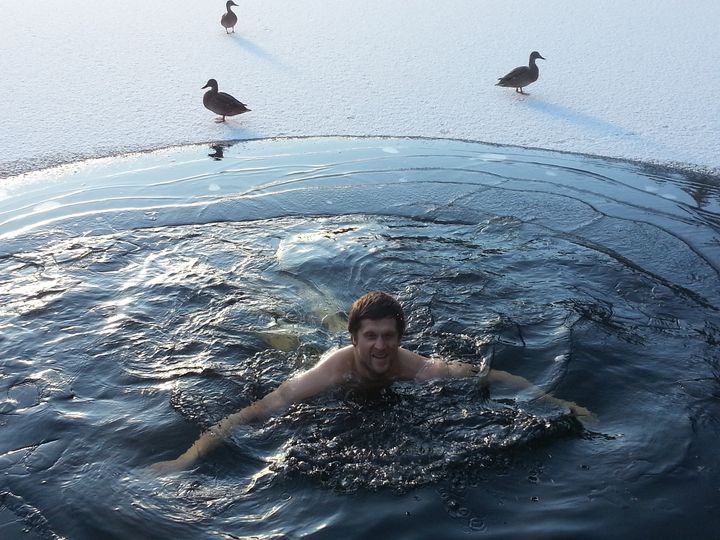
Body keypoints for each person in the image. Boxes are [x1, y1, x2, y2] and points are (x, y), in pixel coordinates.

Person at [152, 291, 592, 473]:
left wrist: (557, 403)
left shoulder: (419, 368)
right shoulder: (331, 372)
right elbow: (255, 410)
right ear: (356, 338)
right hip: (316, 354)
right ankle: (277, 307)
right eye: (371, 336)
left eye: (388, 336)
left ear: (400, 337)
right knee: (290, 335)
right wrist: (186, 458)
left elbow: (496, 375)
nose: (381, 346)